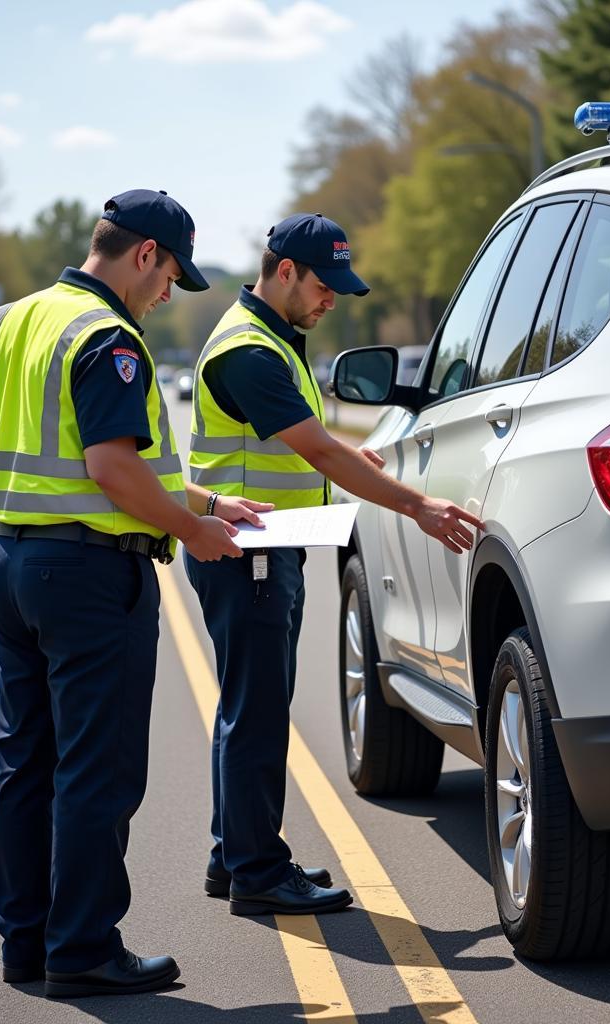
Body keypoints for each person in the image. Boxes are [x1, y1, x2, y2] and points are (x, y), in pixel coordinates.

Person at [0, 189, 271, 998]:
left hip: (18, 565)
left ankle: (25, 943)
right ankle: (85, 947)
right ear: (142, 255)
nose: (168, 293)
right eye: (171, 275)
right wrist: (192, 533)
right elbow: (111, 468)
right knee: (96, 769)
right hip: (93, 580)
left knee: (24, 763)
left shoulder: (6, 324)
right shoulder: (107, 337)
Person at [185, 213, 485, 916]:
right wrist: (418, 506)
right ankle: (258, 870)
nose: (330, 302)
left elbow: (308, 447)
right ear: (283, 270)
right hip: (249, 554)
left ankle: (235, 854)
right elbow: (319, 450)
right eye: (324, 286)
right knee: (256, 713)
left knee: (246, 707)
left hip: (256, 548)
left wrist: (353, 462)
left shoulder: (270, 341)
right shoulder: (250, 351)